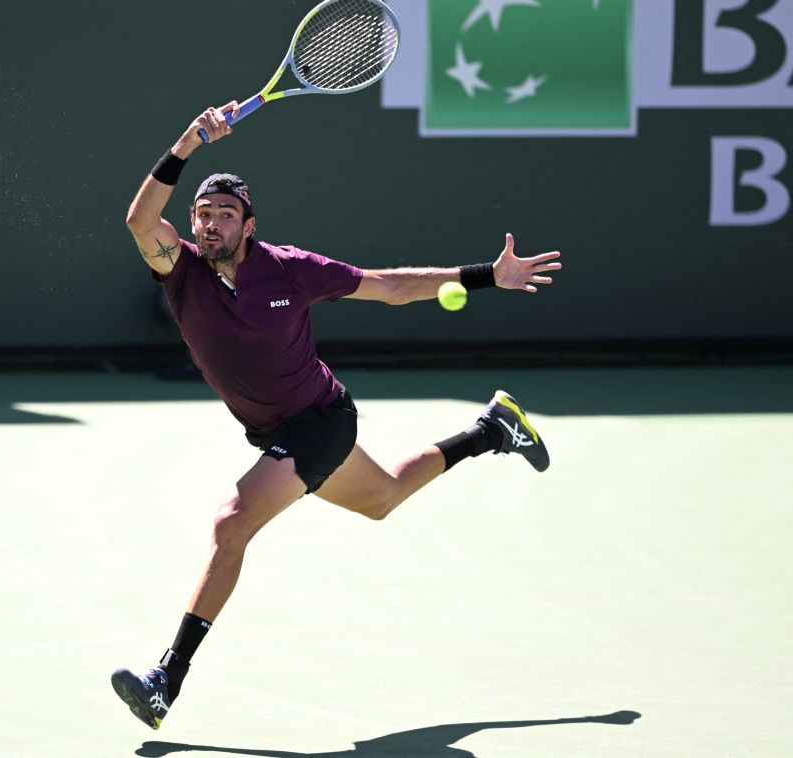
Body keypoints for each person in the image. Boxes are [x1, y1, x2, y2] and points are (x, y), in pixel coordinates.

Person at [111, 102, 562, 730]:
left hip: (319, 421)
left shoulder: (292, 269)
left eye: (225, 215)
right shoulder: (180, 270)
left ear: (250, 225)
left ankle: (166, 681)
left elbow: (392, 286)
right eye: (203, 215)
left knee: (231, 525)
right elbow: (139, 219)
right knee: (384, 497)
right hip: (276, 430)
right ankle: (492, 429)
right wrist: (188, 141)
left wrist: (488, 275)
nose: (211, 225)